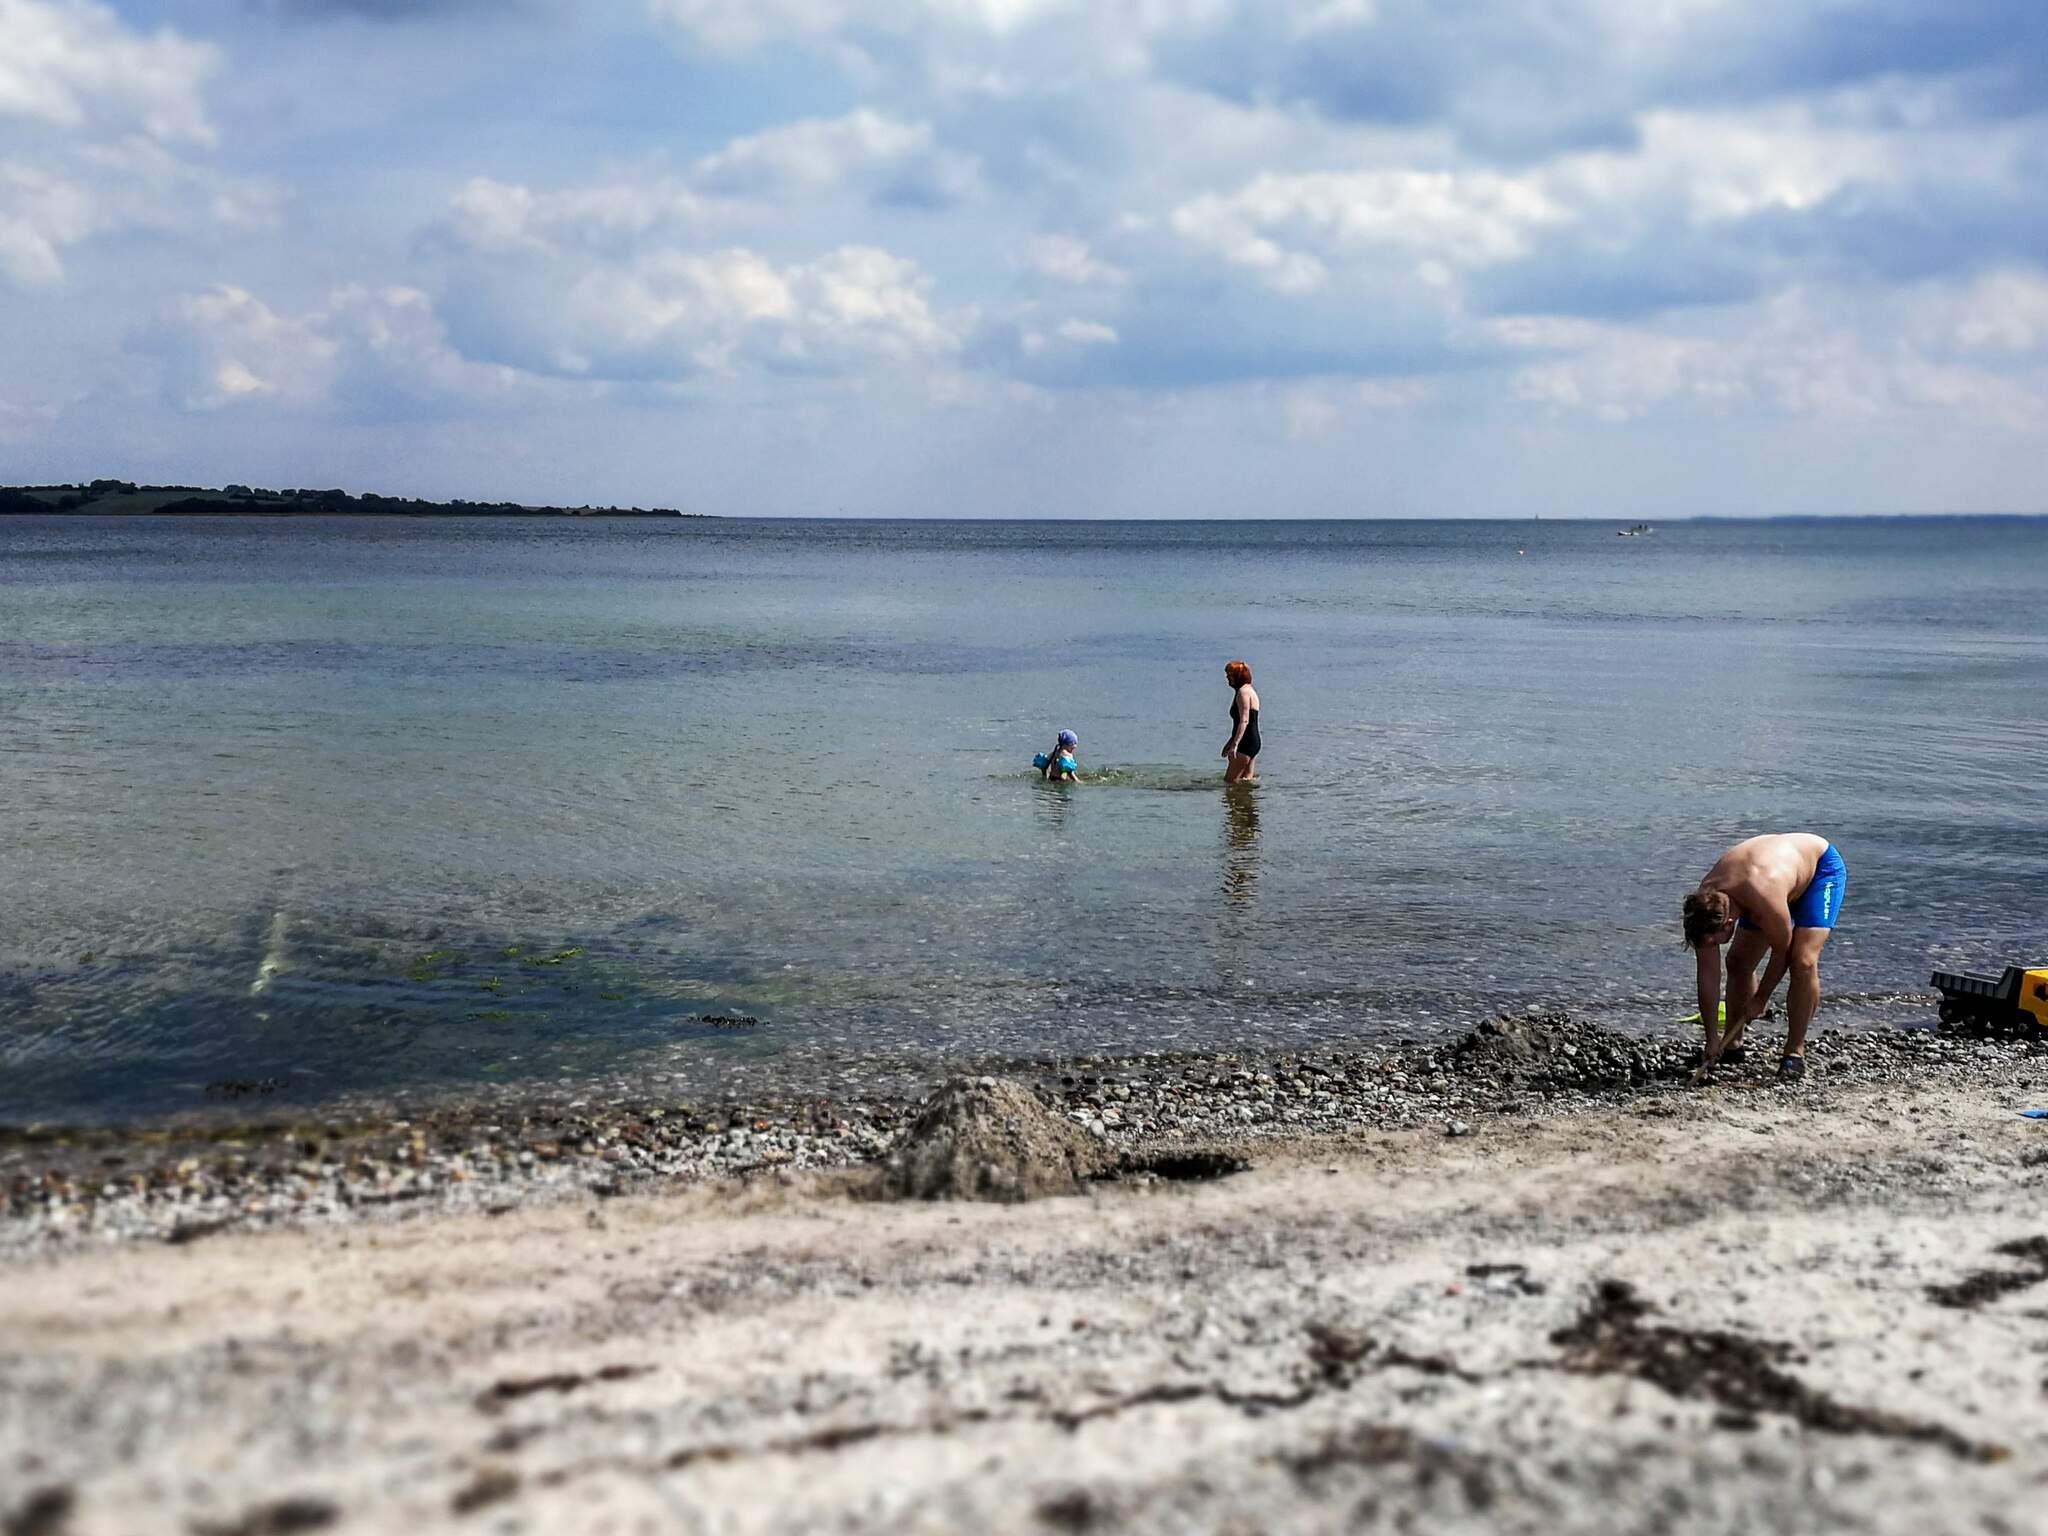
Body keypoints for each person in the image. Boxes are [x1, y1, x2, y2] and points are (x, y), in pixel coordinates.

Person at [1681, 833, 1848, 1083]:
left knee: (1802, 960)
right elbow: (1707, 976)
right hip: (1770, 882)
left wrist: (1761, 998)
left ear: (1728, 923)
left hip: (1818, 872)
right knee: (1738, 962)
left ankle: (1794, 1052)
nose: (1713, 946)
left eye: (1715, 942)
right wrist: (1711, 1038)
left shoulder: (1763, 898)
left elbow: (1782, 952)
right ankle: (1732, 1044)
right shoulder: (1705, 904)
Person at [1221, 660, 1261, 784]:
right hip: (1253, 742)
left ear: (1237, 676)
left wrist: (1235, 744)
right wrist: (1230, 742)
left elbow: (1244, 721)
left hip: (1245, 743)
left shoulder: (1243, 693)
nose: (1227, 678)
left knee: (1229, 782)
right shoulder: (1250, 690)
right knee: (1246, 782)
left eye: (1229, 675)